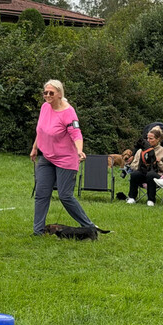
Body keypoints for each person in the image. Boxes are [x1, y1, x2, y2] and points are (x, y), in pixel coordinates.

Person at [30, 79, 101, 235]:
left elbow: (76, 133)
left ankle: (90, 227)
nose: (47, 95)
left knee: (65, 196)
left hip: (65, 159)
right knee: (41, 194)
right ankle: (38, 231)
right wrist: (35, 148)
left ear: (59, 94)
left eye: (51, 93)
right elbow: (41, 130)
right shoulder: (45, 107)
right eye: (45, 92)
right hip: (47, 157)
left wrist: (79, 150)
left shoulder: (68, 112)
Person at [126, 126, 163, 205]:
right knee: (135, 174)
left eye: (151, 139)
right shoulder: (141, 151)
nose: (148, 140)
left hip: (157, 176)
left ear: (158, 139)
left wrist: (159, 162)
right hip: (143, 174)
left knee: (150, 174)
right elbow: (133, 165)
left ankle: (151, 200)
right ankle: (132, 197)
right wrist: (142, 163)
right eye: (147, 138)